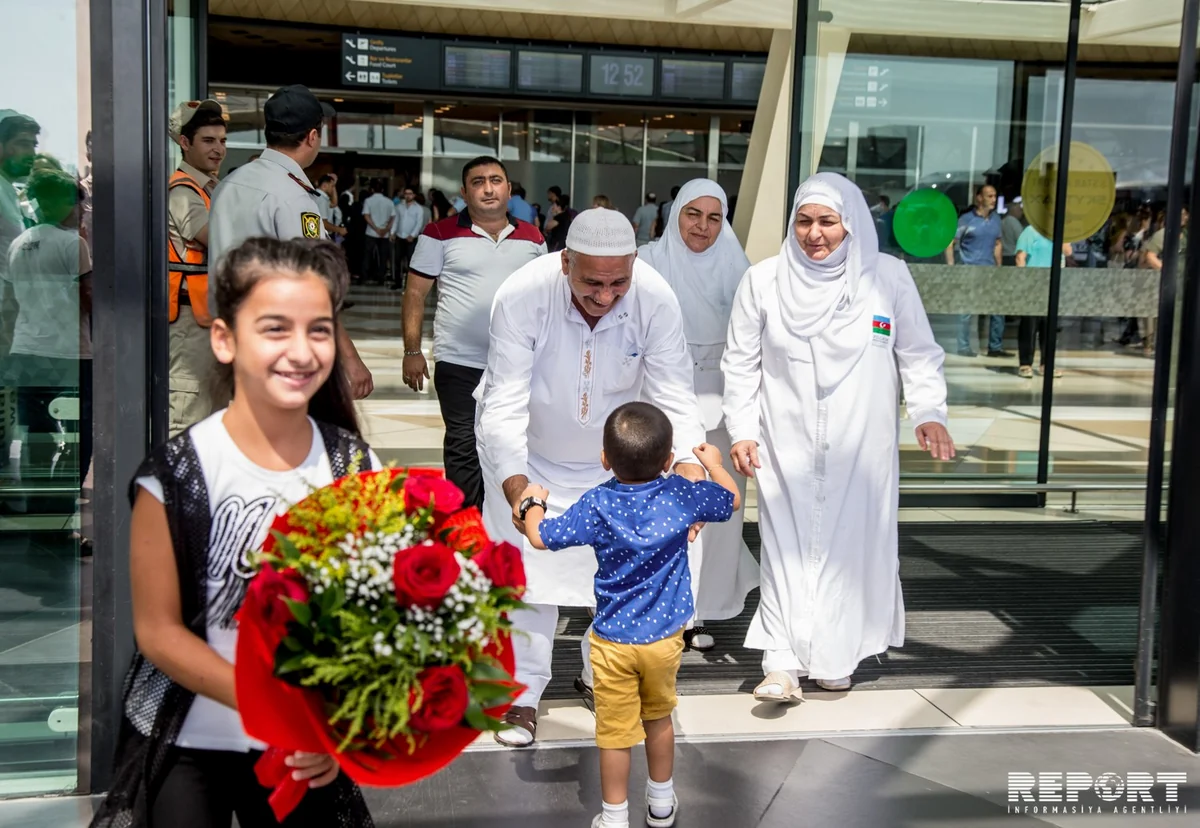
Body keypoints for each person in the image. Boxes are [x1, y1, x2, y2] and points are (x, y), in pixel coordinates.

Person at [87, 238, 376, 828]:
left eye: (319, 330)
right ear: (224, 338)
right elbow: (159, 633)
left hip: (305, 751)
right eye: (275, 328)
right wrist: (278, 708)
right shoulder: (177, 472)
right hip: (191, 743)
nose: (300, 351)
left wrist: (333, 724)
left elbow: (369, 613)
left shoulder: (354, 465)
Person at [474, 208, 707, 748]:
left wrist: (690, 485)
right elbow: (503, 406)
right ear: (564, 263)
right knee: (524, 579)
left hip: (616, 465)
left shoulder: (656, 298)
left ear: (633, 265)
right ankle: (519, 696)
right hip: (529, 456)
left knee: (623, 576)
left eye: (618, 282)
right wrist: (517, 491)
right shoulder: (522, 294)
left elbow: (675, 396)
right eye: (591, 283)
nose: (605, 296)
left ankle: (603, 681)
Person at [723, 173, 954, 699]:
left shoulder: (886, 278)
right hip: (784, 437)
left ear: (850, 223)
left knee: (851, 546)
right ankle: (780, 661)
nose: (814, 233)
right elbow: (740, 364)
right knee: (784, 546)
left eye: (827, 221)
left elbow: (918, 353)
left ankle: (836, 653)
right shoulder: (763, 281)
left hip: (861, 441)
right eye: (804, 221)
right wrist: (742, 428)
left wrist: (927, 411)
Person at [518, 403, 739, 828]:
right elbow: (730, 501)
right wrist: (713, 464)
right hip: (664, 640)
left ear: (604, 459)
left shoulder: (598, 503)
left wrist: (533, 502)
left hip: (612, 643)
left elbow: (541, 537)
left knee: (616, 734)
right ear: (669, 459)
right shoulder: (681, 492)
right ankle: (660, 803)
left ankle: (614, 815)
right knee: (659, 718)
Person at [637, 179, 758, 651]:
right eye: (693, 214)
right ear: (675, 215)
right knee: (661, 507)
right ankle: (655, 605)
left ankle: (700, 610)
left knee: (717, 510)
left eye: (714, 217)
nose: (702, 226)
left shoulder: (741, 270)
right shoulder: (648, 262)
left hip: (723, 403)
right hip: (659, 398)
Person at [206, 84, 373, 399]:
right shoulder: (293, 195)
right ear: (312, 136)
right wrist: (350, 360)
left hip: (226, 341)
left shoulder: (229, 183)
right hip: (276, 350)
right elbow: (316, 284)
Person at [402, 156, 545, 509]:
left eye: (496, 180)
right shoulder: (439, 233)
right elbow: (415, 293)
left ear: (509, 189)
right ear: (464, 192)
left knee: (510, 442)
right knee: (463, 445)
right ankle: (467, 525)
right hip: (458, 361)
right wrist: (412, 350)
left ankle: (505, 519)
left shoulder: (533, 237)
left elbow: (547, 298)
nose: (488, 188)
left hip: (516, 364)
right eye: (478, 182)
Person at [167, 99, 227, 435]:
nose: (219, 149)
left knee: (211, 413)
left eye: (222, 141)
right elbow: (218, 238)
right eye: (208, 141)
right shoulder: (183, 191)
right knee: (188, 418)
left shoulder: (209, 189)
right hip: (190, 322)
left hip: (206, 317)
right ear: (184, 142)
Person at [944, 184, 1004, 358]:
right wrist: (951, 268)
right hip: (969, 269)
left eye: (994, 196)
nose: (993, 199)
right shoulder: (966, 220)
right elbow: (950, 242)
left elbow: (998, 243)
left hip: (990, 270)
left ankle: (995, 347)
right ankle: (963, 346)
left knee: (997, 308)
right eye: (989, 196)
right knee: (966, 309)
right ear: (979, 198)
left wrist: (999, 268)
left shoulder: (996, 220)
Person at [1014, 224, 1072, 378]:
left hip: (1052, 285)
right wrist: (1024, 283)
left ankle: (1046, 364)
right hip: (1033, 285)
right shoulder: (1030, 231)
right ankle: (1025, 363)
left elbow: (1068, 251)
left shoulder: (1059, 231)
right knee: (1029, 326)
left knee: (1050, 326)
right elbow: (1020, 257)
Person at [1140, 206, 1188, 359]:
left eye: (1185, 214)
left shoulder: (1187, 235)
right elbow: (1150, 256)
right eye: (1180, 214)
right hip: (1168, 282)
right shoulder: (1162, 235)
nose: (1184, 217)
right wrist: (1167, 271)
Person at [360, 179, 395, 287]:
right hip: (384, 234)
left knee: (368, 256)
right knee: (383, 256)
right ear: (383, 190)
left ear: (372, 189)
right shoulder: (389, 202)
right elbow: (393, 217)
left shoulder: (368, 201)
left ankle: (365, 277)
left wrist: (375, 228)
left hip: (371, 232)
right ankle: (381, 278)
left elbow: (366, 216)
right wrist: (385, 229)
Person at [392, 185, 424, 288]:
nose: (408, 196)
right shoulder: (399, 207)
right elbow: (396, 221)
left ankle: (410, 284)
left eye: (410, 194)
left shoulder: (419, 209)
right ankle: (397, 282)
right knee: (397, 261)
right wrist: (392, 232)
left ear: (414, 195)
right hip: (399, 236)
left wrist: (412, 235)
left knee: (411, 262)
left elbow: (419, 223)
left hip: (411, 239)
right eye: (406, 194)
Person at [315, 174, 346, 240]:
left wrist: (333, 184)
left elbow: (334, 204)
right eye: (332, 186)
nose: (333, 189)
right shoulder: (321, 199)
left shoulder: (319, 196)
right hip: (323, 235)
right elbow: (323, 223)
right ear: (324, 185)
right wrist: (339, 229)